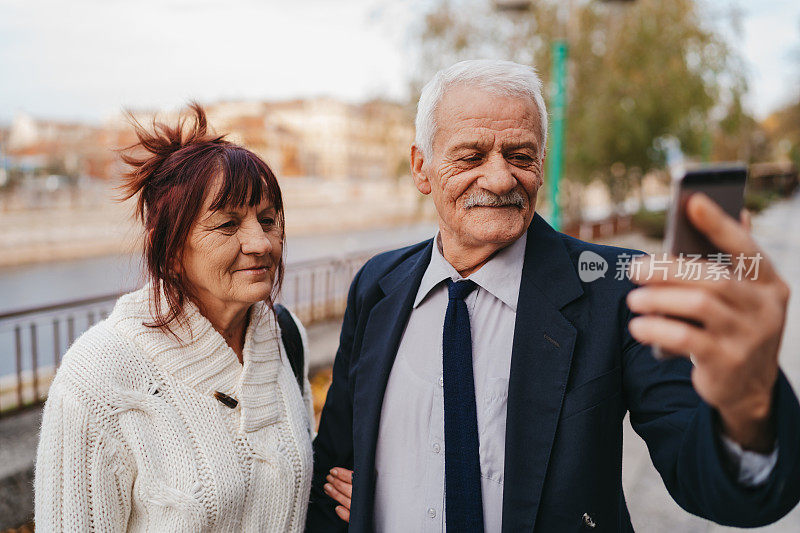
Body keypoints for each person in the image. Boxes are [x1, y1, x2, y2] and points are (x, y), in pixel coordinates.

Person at [307, 60, 800, 532]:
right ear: (421, 167)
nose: (500, 179)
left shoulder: (616, 287)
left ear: (540, 166)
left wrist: (747, 399)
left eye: (520, 156)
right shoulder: (377, 286)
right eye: (471, 156)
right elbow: (337, 461)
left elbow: (712, 484)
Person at [34, 104, 351, 531]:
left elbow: (285, 481)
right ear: (169, 250)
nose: (260, 242)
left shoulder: (283, 334)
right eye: (227, 224)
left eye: (268, 219)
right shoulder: (97, 379)